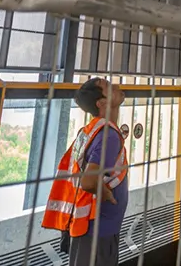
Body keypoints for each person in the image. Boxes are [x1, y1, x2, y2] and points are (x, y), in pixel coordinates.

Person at [42, 77, 130, 266]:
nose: (117, 86)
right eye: (109, 87)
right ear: (102, 103)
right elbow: (88, 181)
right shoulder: (108, 135)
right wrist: (107, 194)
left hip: (88, 228)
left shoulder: (91, 131)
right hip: (98, 232)